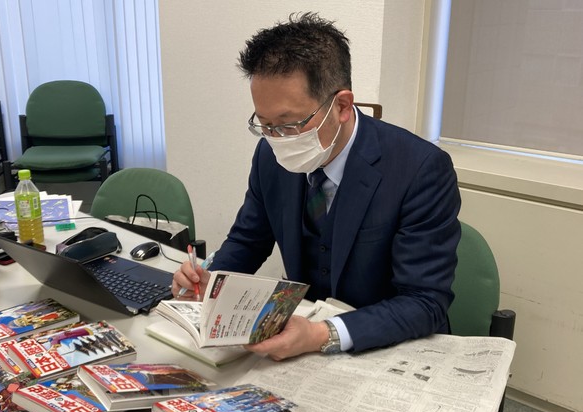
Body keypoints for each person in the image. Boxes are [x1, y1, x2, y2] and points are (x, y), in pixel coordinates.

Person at [172, 12, 461, 360]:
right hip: (302, 337)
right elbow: (248, 240)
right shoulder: (270, 156)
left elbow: (424, 302)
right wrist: (210, 279)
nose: (278, 138)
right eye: (265, 124)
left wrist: (322, 334)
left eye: (290, 123)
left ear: (342, 106)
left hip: (385, 345)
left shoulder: (419, 169)